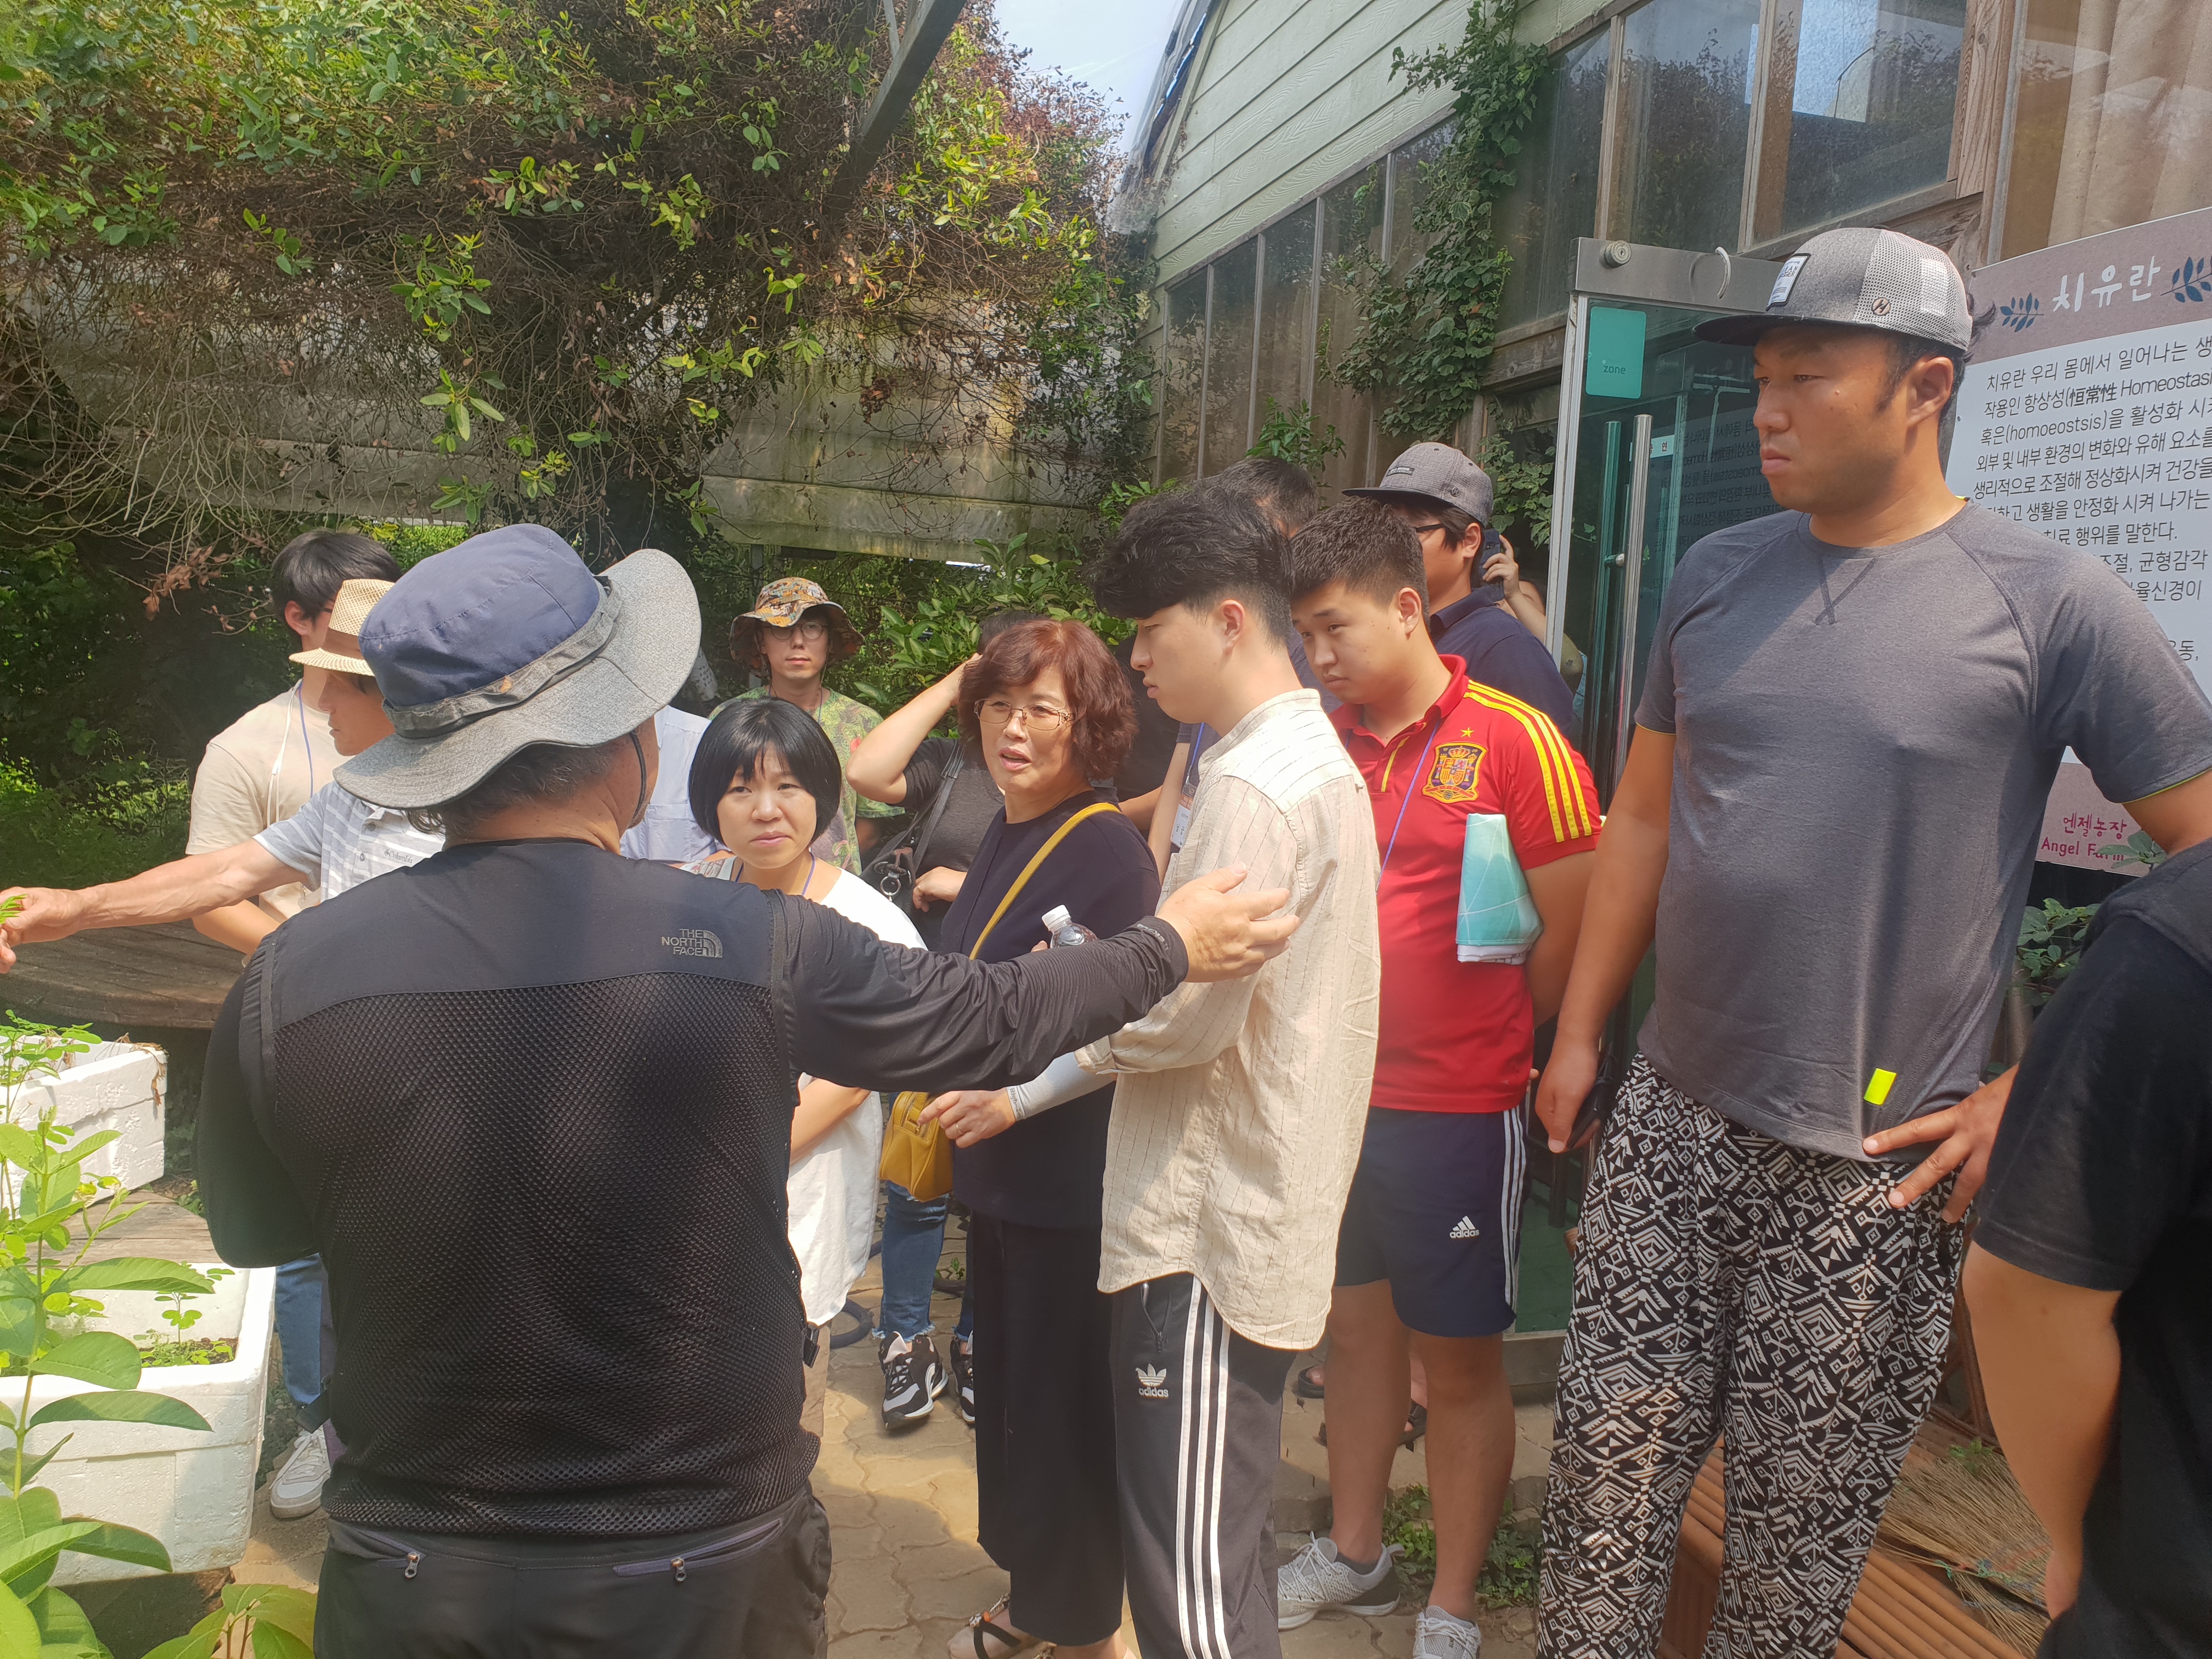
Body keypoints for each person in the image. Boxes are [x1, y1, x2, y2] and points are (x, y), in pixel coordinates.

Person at [184, 523, 1299, 1657]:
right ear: (627, 743)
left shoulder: (290, 978)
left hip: (414, 1568)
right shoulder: (749, 940)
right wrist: (1169, 943)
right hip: (698, 1566)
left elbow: (256, 1229)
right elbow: (985, 1016)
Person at [1528, 225, 2212, 1659]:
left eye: (1810, 376)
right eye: (1763, 380)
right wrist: (1583, 1033)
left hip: (1874, 1179)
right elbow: (1642, 820)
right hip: (1675, 1125)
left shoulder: (2052, 604)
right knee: (1599, 1503)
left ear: (1926, 387)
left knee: (1791, 1564)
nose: (1768, 410)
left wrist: (2036, 1091)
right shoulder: (1717, 575)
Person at [1, 577, 442, 1521]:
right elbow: (229, 871)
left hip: (455, 1097)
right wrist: (78, 908)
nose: (320, 704)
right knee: (323, 1261)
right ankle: (334, 1432)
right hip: (352, 1083)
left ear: (393, 694)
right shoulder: (353, 796)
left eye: (337, 685)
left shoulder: (489, 799)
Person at [1277, 504, 1599, 1659]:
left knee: (1456, 1358)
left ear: (1408, 607)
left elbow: (1574, 916)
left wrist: (1511, 1034)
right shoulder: (1316, 741)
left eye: (1336, 628)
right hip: (1330, 1101)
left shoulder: (1515, 741)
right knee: (1352, 1333)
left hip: (1456, 1106)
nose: (1319, 656)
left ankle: (1454, 1603)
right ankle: (1356, 1549)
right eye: (1305, 635)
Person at [1063, 484, 1379, 1658]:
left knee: (1188, 1586)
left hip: (1203, 1233)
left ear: (1231, 620)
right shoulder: (1308, 758)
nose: (1138, 659)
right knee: (1223, 1557)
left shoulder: (1251, 786)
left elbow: (1182, 1020)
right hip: (1256, 1208)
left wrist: (1058, 1011)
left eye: (1152, 629)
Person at [913, 619, 1159, 1659]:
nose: (1014, 730)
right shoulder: (1008, 827)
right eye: (1000, 707)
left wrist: (1014, 1101)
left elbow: (1134, 1021)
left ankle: (1082, 1625)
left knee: (1060, 1409)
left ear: (1087, 725)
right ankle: (1039, 1595)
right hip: (1001, 1174)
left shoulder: (1103, 848)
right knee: (1013, 1395)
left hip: (1067, 1180)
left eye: (1042, 711)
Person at [1963, 837, 2212, 1659]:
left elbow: (2024, 1293)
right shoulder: (2175, 948)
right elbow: (2030, 1295)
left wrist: (2085, 1545)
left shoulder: (2174, 944)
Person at [679, 697, 923, 1445]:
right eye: (740, 789)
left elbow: (854, 1077)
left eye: (787, 786)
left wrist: (736, 1157)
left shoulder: (867, 925)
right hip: (687, 1208)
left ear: (821, 795)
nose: (766, 810)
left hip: (798, 1200)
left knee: (783, 1415)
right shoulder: (683, 901)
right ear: (710, 802)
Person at [847, 611, 1046, 1429]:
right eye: (999, 688)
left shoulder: (1066, 775)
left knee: (992, 1194)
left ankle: (975, 1342)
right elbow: (868, 770)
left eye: (1033, 690)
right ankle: (903, 1340)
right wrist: (957, 682)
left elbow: (1080, 888)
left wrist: (966, 888)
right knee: (918, 1184)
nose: (1015, 716)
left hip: (1020, 1010)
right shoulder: (954, 763)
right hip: (934, 1004)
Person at [187, 529, 400, 953]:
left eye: (387, 607)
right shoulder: (246, 749)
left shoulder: (442, 728)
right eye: (349, 610)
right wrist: (312, 959)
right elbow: (210, 899)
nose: (374, 624)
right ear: (300, 618)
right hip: (304, 982)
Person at [1145, 457, 1332, 878]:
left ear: (1290, 539)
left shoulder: (1300, 646)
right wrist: (1153, 878)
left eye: (1245, 528)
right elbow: (1179, 769)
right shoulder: (1207, 642)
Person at [1345, 443, 1575, 733]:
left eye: (1411, 530)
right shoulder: (1384, 630)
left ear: (1469, 541)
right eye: (1383, 528)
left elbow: (1547, 755)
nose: (1389, 543)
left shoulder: (1503, 646)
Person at [725, 576, 895, 873]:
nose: (798, 641)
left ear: (829, 641)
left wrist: (816, 872)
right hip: (745, 885)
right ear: (761, 642)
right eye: (781, 628)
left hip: (835, 889)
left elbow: (870, 825)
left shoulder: (862, 723)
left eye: (812, 627)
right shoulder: (729, 719)